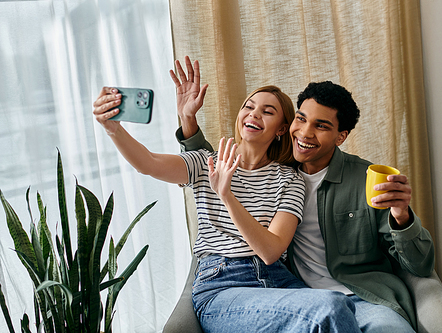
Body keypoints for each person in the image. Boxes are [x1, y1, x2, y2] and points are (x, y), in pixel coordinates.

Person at [92, 56, 362, 333]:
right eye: (249, 107)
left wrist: (227, 196)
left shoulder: (289, 179)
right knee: (330, 307)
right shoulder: (205, 162)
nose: (254, 114)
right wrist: (113, 128)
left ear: (282, 128)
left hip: (278, 281)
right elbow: (148, 163)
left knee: (339, 306)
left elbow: (271, 251)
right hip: (223, 287)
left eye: (268, 111)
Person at [177, 66, 435, 332]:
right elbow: (215, 166)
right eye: (301, 119)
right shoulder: (280, 174)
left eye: (321, 126)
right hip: (299, 297)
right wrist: (188, 120)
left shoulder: (366, 179)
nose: (305, 133)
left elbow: (420, 264)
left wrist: (401, 215)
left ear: (341, 136)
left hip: (368, 298)